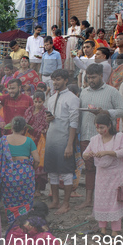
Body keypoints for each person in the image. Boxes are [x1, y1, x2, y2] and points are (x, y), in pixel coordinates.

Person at [77, 63, 123, 209]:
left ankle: (108, 198)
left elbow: (122, 111)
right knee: (89, 168)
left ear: (101, 76)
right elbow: (79, 115)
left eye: (93, 77)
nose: (91, 80)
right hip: (86, 136)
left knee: (107, 168)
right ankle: (88, 200)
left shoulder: (112, 91)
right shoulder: (84, 92)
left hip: (107, 139)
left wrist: (106, 112)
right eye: (89, 77)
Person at [83, 114, 123, 236]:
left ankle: (115, 230)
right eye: (97, 128)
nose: (99, 131)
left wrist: (107, 153)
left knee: (114, 201)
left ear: (109, 126)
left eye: (102, 127)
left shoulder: (119, 137)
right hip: (101, 175)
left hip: (116, 174)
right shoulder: (95, 139)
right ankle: (102, 229)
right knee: (101, 201)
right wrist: (87, 155)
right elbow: (85, 154)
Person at [0, 117, 39, 223]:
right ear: (24, 129)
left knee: (10, 199)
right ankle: (25, 220)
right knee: (26, 198)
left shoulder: (3, 140)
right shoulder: (29, 141)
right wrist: (31, 169)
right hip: (26, 175)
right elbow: (37, 160)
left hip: (9, 174)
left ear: (11, 127)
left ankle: (13, 221)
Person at [45, 69, 79, 214]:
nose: (55, 82)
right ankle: (55, 201)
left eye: (58, 79)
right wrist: (48, 119)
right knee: (52, 172)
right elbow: (49, 118)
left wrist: (69, 145)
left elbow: (74, 123)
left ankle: (66, 203)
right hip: (51, 139)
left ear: (66, 80)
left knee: (66, 172)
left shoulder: (72, 98)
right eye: (54, 79)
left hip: (65, 139)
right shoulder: (51, 98)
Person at [24, 90, 49, 196]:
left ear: (43, 101)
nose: (37, 104)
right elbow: (25, 121)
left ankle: (38, 189)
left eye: (40, 102)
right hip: (28, 137)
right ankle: (29, 187)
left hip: (40, 139)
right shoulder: (29, 110)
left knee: (39, 162)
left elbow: (45, 125)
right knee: (28, 162)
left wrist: (40, 131)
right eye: (35, 102)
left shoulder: (45, 112)